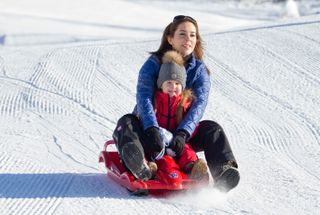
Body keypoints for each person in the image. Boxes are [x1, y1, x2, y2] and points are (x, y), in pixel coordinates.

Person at [113, 15, 240, 192]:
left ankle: (224, 172)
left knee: (212, 129)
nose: (188, 39)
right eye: (182, 34)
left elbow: (199, 105)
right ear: (170, 38)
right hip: (151, 131)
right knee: (126, 123)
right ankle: (138, 163)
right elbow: (144, 98)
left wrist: (183, 133)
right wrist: (151, 129)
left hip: (181, 136)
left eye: (193, 35)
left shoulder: (199, 70)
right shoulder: (153, 64)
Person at [152, 50, 208, 180]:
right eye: (169, 83)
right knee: (158, 156)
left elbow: (191, 125)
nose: (173, 87)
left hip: (176, 141)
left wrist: (182, 137)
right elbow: (144, 119)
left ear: (182, 86)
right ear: (161, 85)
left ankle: (193, 168)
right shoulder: (155, 101)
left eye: (177, 83)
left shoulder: (184, 103)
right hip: (157, 142)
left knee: (187, 151)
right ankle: (150, 168)